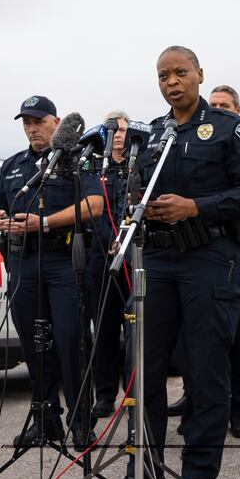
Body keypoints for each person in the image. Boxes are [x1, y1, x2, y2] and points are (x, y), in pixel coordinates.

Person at [105, 47, 240, 479]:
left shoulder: (228, 127)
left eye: (180, 73)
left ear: (199, 74)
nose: (172, 82)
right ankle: (145, 468)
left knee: (205, 367)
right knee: (144, 369)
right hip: (155, 257)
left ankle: (198, 476)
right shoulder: (154, 133)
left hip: (209, 258)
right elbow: (128, 188)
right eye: (163, 75)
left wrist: (196, 206)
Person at [0, 95, 104, 450]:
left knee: (70, 341)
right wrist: (2, 222)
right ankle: (44, 420)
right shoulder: (13, 165)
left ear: (56, 122)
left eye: (38, 121)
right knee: (34, 345)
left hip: (62, 260)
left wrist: (46, 222)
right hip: (23, 262)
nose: (32, 129)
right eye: (26, 123)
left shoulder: (77, 160)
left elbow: (95, 205)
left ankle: (81, 422)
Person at [166, 85, 240, 439]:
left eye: (224, 106)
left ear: (238, 110)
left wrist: (202, 207)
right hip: (189, 253)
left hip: (235, 249)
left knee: (238, 335)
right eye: (213, 105)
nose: (216, 110)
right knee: (195, 337)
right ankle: (195, 399)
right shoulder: (178, 137)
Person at [85, 110, 132, 418]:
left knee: (135, 329)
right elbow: (93, 211)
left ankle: (134, 392)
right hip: (99, 258)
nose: (118, 134)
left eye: (123, 129)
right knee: (103, 329)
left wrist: (124, 242)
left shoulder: (138, 167)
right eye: (112, 129)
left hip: (131, 257)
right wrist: (108, 242)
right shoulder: (91, 168)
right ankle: (104, 395)